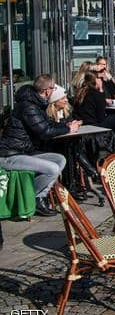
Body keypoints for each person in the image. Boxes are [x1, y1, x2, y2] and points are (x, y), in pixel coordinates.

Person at [0, 75, 76, 216]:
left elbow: (47, 125)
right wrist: (68, 129)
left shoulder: (36, 104)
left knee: (60, 159)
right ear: (47, 91)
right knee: (52, 169)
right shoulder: (28, 106)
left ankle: (38, 197)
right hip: (10, 154)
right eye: (53, 88)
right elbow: (44, 131)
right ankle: (32, 199)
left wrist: (66, 126)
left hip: (24, 152)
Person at [74, 71, 115, 153]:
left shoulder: (80, 92)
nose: (101, 81)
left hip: (82, 123)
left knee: (113, 116)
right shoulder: (96, 94)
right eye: (99, 79)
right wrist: (101, 90)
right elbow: (101, 117)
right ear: (95, 80)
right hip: (94, 125)